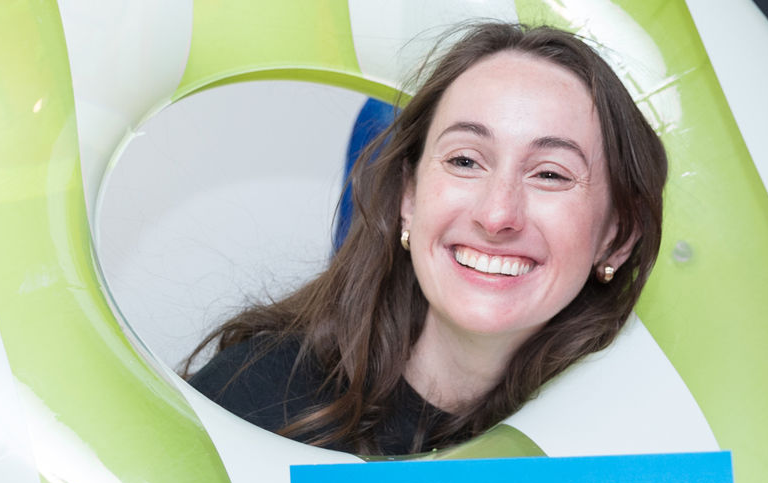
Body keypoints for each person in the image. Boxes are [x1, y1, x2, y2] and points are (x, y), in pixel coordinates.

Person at [186, 23, 666, 455]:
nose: (497, 215)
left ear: (618, 236)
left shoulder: (647, 448)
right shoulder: (252, 402)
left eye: (550, 174)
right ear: (409, 197)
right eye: (465, 161)